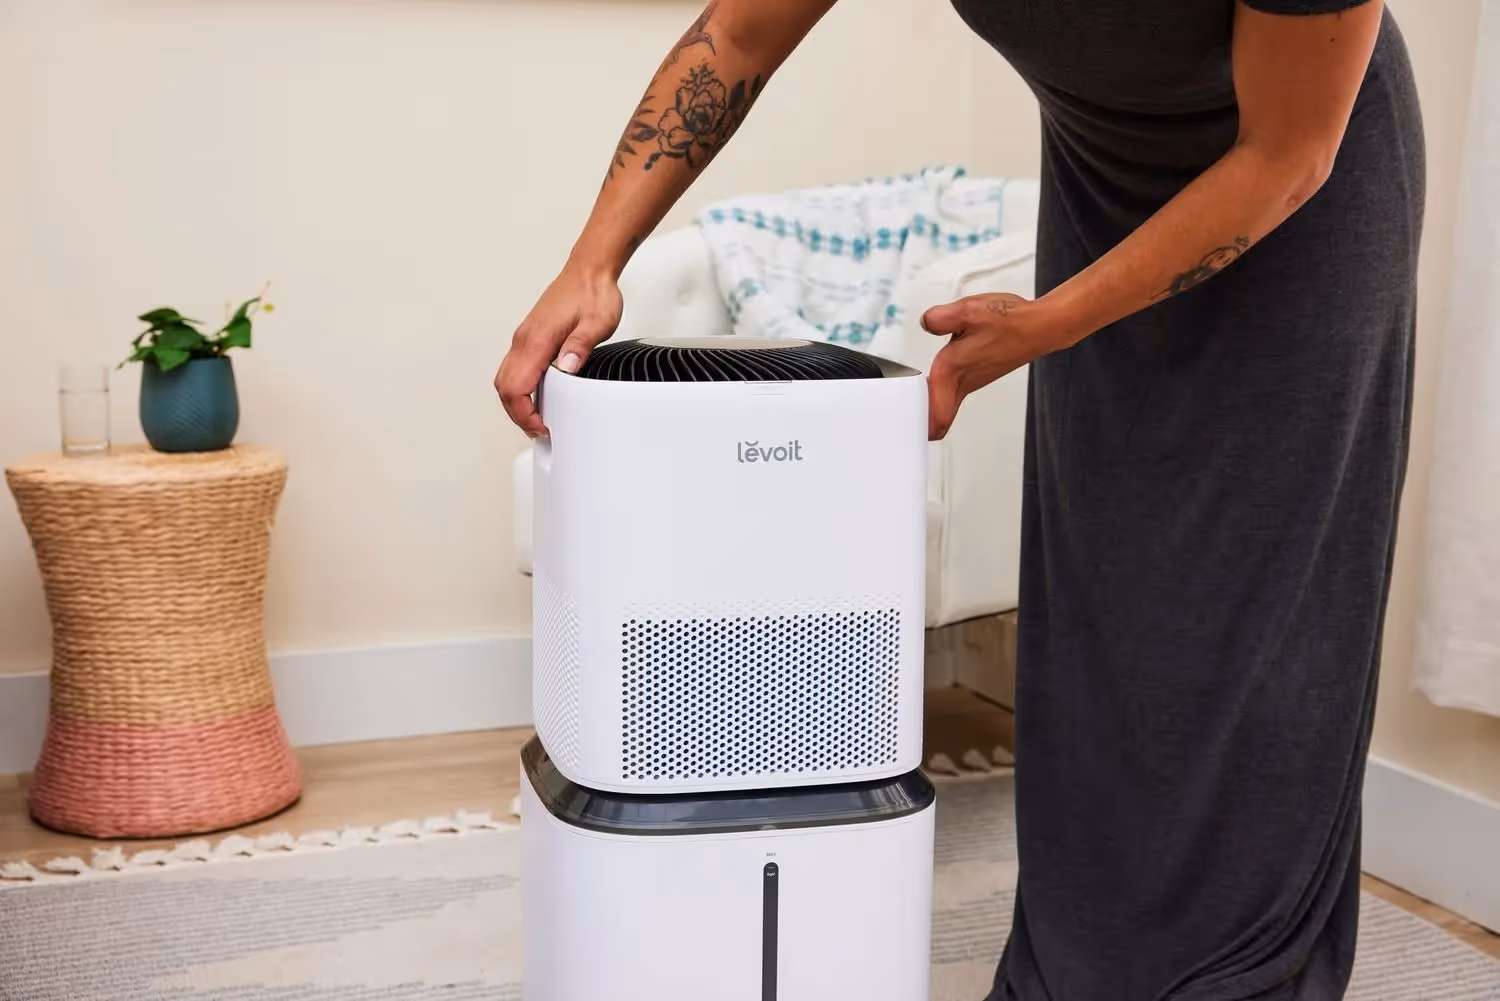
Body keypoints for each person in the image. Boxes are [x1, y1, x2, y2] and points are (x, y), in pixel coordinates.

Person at [495, 0, 1424, 996]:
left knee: (1257, 617)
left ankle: (1241, 977)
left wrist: (1051, 324)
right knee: (1100, 609)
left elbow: (1288, 154)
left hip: (1294, 208)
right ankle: (1076, 970)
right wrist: (593, 261)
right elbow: (741, 35)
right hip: (1106, 190)